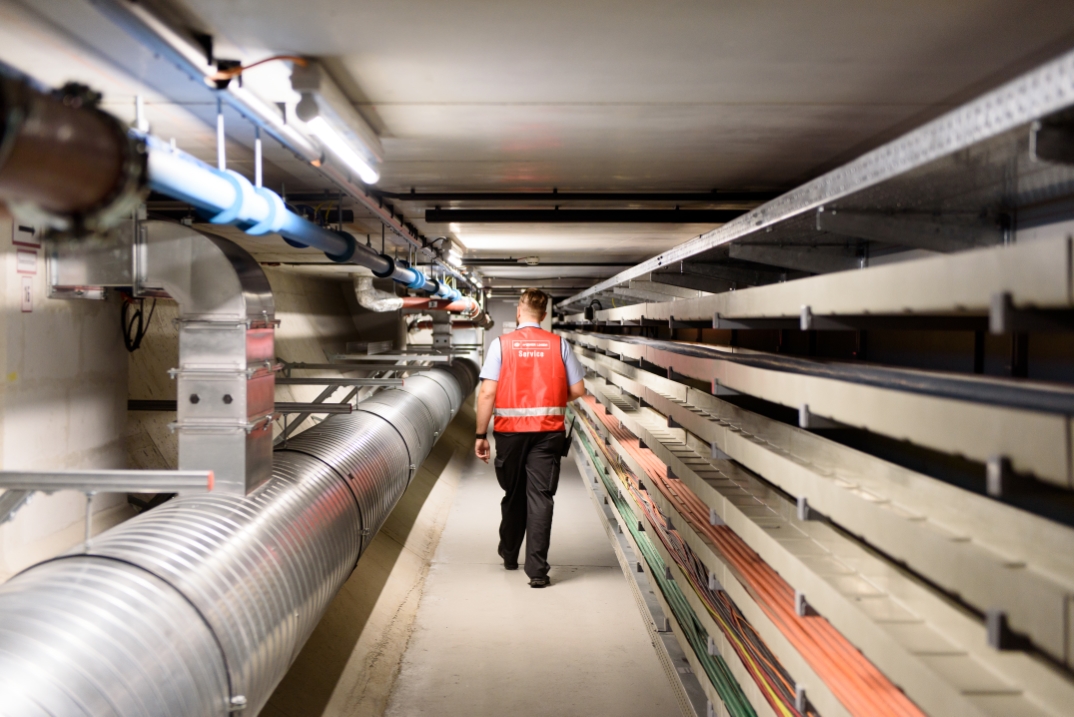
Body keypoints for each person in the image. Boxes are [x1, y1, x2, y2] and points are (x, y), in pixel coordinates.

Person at [475, 289, 586, 588]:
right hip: (548, 433)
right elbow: (578, 391)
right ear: (545, 316)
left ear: (518, 312)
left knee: (513, 494)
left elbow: (487, 391)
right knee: (540, 498)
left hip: (509, 433)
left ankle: (510, 555)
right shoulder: (559, 345)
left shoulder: (501, 345)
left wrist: (480, 434)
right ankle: (537, 571)